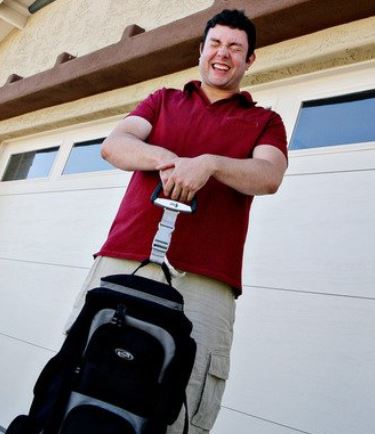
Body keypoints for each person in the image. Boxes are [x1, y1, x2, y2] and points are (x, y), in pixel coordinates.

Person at [70, 8, 288, 434]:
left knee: (182, 402)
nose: (223, 54)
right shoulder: (163, 100)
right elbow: (115, 144)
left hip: (207, 281)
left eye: (235, 48)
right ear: (201, 51)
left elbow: (269, 175)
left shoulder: (265, 121)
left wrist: (208, 165)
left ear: (250, 60)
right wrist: (168, 161)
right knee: (82, 373)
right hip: (123, 258)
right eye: (216, 44)